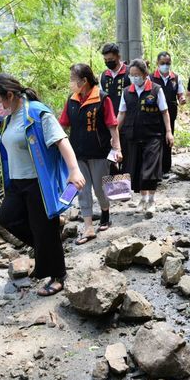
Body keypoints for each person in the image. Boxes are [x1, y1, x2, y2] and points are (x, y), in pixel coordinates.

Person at [0, 74, 85, 296]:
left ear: (9, 95)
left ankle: (58, 274)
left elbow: (61, 140)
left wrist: (74, 170)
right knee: (6, 219)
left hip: (38, 183)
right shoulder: (9, 117)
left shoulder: (37, 112)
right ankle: (47, 247)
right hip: (16, 183)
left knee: (44, 230)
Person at [59, 64, 122, 245]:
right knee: (82, 190)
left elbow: (112, 124)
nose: (71, 83)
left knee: (100, 189)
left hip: (99, 153)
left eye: (73, 79)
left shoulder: (102, 99)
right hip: (77, 154)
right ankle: (88, 227)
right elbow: (62, 124)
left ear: (84, 80)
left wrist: (117, 148)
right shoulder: (71, 100)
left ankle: (105, 212)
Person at [117, 58, 174, 213]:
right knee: (136, 169)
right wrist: (114, 134)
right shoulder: (127, 92)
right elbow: (121, 114)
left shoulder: (156, 90)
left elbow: (164, 112)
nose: (134, 77)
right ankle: (143, 199)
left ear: (144, 74)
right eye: (131, 74)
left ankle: (152, 201)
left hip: (153, 136)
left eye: (137, 74)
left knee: (150, 169)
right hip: (132, 136)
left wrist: (169, 132)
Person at [150, 51, 187, 176]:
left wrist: (182, 99)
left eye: (168, 63)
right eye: (163, 63)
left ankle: (166, 168)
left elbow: (180, 94)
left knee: (168, 139)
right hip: (154, 114)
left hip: (170, 113)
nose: (165, 65)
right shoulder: (151, 78)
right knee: (155, 141)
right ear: (157, 63)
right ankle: (156, 169)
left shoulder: (175, 78)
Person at [100, 43, 131, 171]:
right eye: (106, 60)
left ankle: (128, 184)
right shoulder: (104, 75)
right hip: (109, 121)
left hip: (127, 120)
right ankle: (115, 185)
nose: (108, 62)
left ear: (118, 57)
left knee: (126, 153)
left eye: (111, 60)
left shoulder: (129, 72)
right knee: (111, 156)